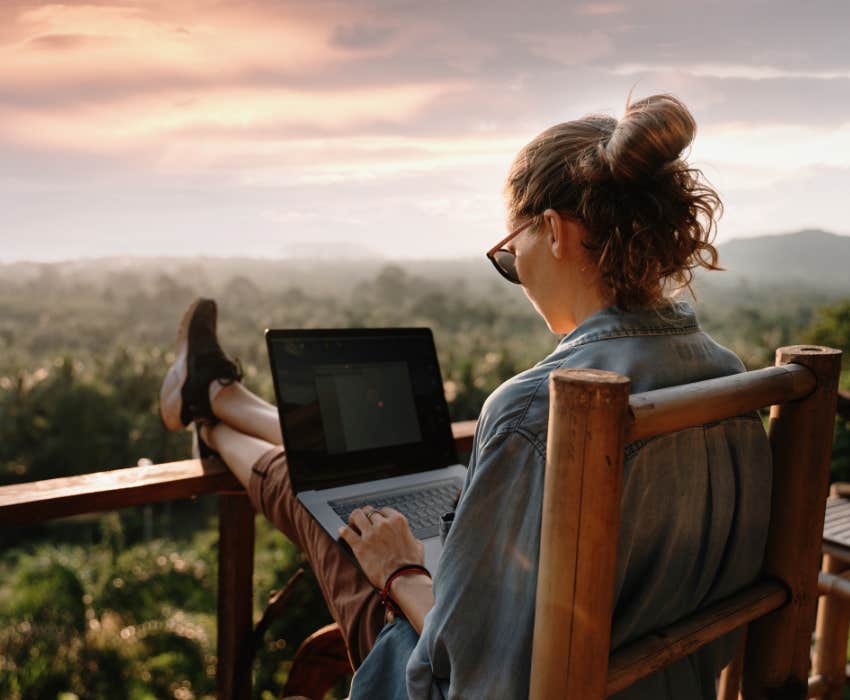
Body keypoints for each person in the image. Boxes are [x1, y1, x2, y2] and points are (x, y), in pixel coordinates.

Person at [159, 92, 772, 699]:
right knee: (347, 481)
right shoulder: (729, 379)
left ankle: (210, 414)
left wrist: (401, 572)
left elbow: (477, 675)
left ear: (554, 231)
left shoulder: (537, 409)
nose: (518, 274)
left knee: (327, 500)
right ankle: (219, 400)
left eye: (511, 254)